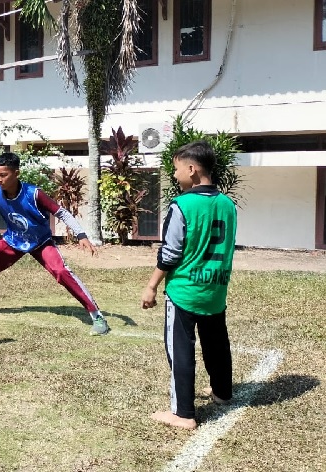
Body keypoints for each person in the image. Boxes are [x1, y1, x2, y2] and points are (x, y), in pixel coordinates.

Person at [0, 152, 110, 336]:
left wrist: (81, 235)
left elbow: (61, 212)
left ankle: (97, 316)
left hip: (41, 242)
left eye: (3, 175)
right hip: (13, 240)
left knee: (62, 272)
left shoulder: (34, 194)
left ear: (16, 173)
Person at [141, 140, 237, 430]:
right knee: (216, 342)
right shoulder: (228, 205)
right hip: (215, 289)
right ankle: (222, 392)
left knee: (180, 349)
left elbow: (170, 252)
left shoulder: (182, 204)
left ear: (192, 169)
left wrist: (152, 286)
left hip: (184, 291)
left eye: (176, 169)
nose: (174, 175)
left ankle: (183, 414)